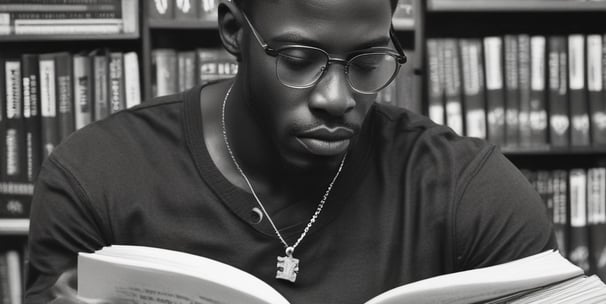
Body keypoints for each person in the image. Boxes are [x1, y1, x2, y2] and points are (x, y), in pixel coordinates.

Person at [25, 0, 557, 303]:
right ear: (234, 30)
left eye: (369, 60)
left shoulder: (470, 190)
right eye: (300, 59)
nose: (338, 99)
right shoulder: (94, 175)